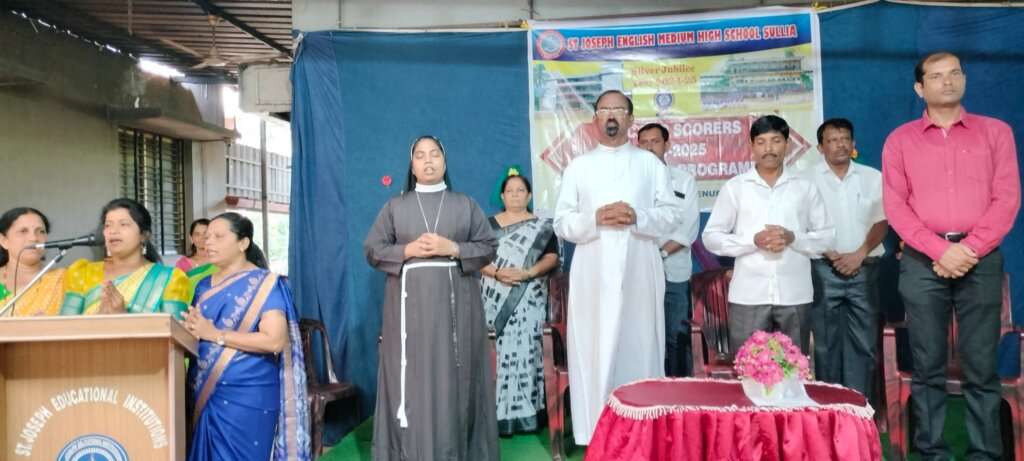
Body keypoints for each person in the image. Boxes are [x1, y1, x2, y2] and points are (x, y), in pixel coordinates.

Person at [882, 51, 1020, 460]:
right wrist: (941, 250)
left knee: (981, 365)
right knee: (927, 366)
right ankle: (932, 452)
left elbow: (1007, 198)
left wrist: (969, 249)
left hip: (981, 259)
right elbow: (896, 207)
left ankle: (984, 453)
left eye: (955, 73)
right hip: (923, 261)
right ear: (919, 88)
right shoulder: (900, 140)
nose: (948, 81)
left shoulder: (996, 133)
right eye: (937, 75)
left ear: (964, 79)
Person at [554, 90, 683, 445]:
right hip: (592, 273)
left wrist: (636, 216)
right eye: (604, 109)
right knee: (594, 347)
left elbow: (671, 216)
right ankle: (596, 433)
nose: (611, 115)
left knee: (640, 345)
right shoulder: (579, 166)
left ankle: (644, 432)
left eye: (618, 109)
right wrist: (595, 219)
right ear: (595, 118)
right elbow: (562, 222)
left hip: (639, 269)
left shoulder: (650, 165)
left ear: (630, 118)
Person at [364, 135, 499, 460]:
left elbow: (488, 246)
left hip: (458, 311)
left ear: (444, 161)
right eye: (420, 155)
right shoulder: (395, 207)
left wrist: (453, 248)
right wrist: (407, 250)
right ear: (412, 166)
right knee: (412, 380)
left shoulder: (465, 204)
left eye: (434, 154)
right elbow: (373, 250)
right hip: (408, 312)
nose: (428, 161)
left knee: (455, 378)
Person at [702, 115, 833, 354]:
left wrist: (793, 238)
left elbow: (826, 237)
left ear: (787, 144)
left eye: (776, 141)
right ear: (751, 146)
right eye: (761, 142)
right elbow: (711, 237)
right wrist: (752, 241)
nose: (769, 149)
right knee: (748, 366)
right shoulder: (736, 187)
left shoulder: (805, 187)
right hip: (748, 295)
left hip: (795, 294)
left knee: (794, 367)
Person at [184, 212, 309, 461]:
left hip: (249, 392)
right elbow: (196, 334)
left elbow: (274, 340)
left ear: (243, 243)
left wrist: (216, 334)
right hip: (205, 391)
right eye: (207, 237)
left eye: (218, 236)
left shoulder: (265, 284)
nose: (209, 242)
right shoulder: (203, 286)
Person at [807, 118, 887, 397]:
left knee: (865, 343)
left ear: (853, 144)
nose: (839, 145)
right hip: (822, 269)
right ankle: (830, 408)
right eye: (832, 140)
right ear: (820, 147)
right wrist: (832, 254)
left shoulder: (872, 177)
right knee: (825, 345)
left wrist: (858, 255)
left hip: (864, 268)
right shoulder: (805, 180)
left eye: (844, 139)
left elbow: (882, 221)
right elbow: (802, 224)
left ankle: (860, 406)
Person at [480, 171, 559, 435]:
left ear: (529, 195)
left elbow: (552, 258)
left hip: (529, 298)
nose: (515, 195)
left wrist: (527, 273)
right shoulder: (487, 226)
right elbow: (477, 257)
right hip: (494, 298)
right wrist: (497, 273)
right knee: (496, 353)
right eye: (510, 191)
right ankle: (494, 414)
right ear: (502, 197)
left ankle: (528, 415)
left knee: (527, 350)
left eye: (520, 190)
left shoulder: (542, 227)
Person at [59, 198, 192, 319]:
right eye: (108, 225)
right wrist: (99, 319)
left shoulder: (169, 279)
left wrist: (122, 317)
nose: (113, 231)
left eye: (123, 224)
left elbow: (175, 334)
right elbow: (63, 330)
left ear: (144, 235)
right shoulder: (83, 273)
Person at [637, 122, 700, 377]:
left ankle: (678, 389)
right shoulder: (632, 183)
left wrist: (659, 253)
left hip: (675, 272)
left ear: (667, 145)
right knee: (642, 336)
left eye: (655, 141)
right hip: (639, 272)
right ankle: (647, 389)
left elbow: (688, 230)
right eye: (644, 143)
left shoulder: (684, 181)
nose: (649, 147)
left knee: (676, 335)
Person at [0, 207, 65, 316]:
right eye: (23, 231)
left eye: (41, 231)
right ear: (3, 241)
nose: (34, 238)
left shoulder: (62, 279)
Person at [176, 218, 218, 290]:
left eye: (205, 233)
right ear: (191, 238)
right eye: (197, 234)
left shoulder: (220, 260)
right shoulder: (182, 263)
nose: (202, 238)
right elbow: (177, 289)